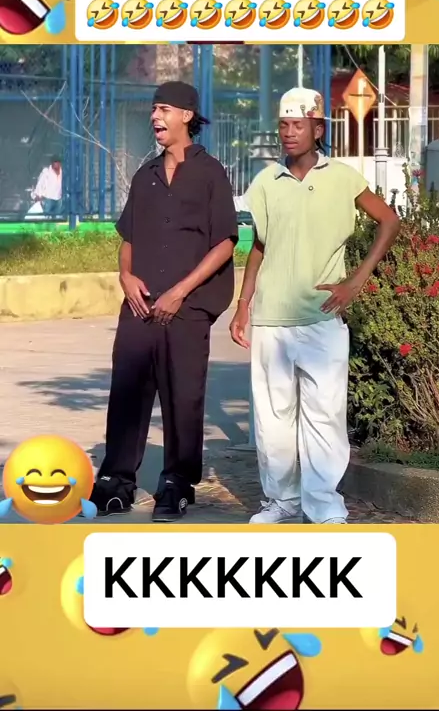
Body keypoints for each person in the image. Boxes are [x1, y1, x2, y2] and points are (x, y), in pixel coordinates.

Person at [230, 86, 400, 525]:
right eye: (283, 125)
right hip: (271, 320)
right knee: (272, 421)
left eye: (298, 125)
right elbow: (260, 246)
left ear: (318, 129)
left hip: (322, 318)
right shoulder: (266, 182)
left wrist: (355, 281)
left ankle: (324, 507)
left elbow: (389, 220)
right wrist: (243, 304)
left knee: (324, 417)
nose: (288, 132)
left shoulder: (343, 178)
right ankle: (281, 502)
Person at [91, 81, 238, 521]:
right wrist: (125, 276)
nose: (155, 117)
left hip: (187, 308)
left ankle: (177, 483)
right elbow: (129, 239)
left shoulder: (211, 173)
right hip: (139, 306)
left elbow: (225, 243)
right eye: (154, 109)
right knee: (127, 393)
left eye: (164, 109)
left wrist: (180, 291)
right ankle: (115, 482)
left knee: (183, 396)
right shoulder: (145, 176)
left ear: (187, 115)